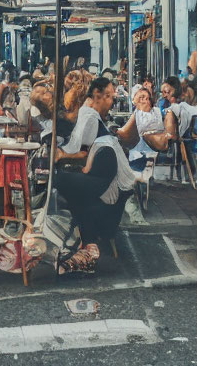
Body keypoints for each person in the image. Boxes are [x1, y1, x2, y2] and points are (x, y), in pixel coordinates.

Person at [53, 78, 136, 274]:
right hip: (102, 174)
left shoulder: (89, 114)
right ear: (95, 95)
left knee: (60, 180)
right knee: (72, 190)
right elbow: (81, 146)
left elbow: (78, 147)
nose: (111, 101)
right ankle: (85, 242)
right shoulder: (89, 113)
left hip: (105, 177)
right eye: (107, 96)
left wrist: (62, 153)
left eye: (111, 96)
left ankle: (83, 242)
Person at [117, 88, 168, 172]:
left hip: (148, 149)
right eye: (141, 98)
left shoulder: (156, 112)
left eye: (147, 98)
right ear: (134, 101)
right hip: (138, 152)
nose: (144, 101)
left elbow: (149, 128)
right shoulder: (137, 113)